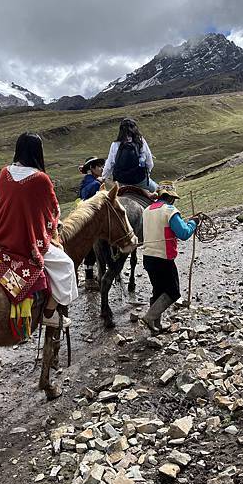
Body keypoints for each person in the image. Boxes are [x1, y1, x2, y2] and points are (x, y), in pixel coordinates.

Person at [0, 132, 77, 329]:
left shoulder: (4, 173)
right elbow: (52, 210)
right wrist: (51, 227)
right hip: (25, 243)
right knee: (67, 266)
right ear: (38, 152)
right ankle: (49, 314)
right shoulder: (41, 179)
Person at [141, 181, 200, 332]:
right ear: (171, 197)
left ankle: (156, 324)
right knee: (173, 292)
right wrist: (193, 222)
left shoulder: (147, 210)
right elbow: (184, 233)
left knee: (158, 289)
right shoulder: (170, 210)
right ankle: (150, 317)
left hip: (148, 257)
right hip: (163, 258)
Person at [102, 117, 157, 192]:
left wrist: (104, 177)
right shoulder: (140, 141)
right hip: (140, 181)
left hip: (121, 181)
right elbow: (149, 162)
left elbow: (109, 164)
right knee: (157, 190)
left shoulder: (115, 144)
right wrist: (147, 174)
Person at [78, 156, 105, 290]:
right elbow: (87, 195)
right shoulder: (92, 182)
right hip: (91, 218)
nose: (102, 168)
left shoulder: (91, 180)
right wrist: (98, 183)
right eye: (99, 166)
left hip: (90, 216)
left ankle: (90, 275)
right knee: (91, 249)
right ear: (92, 168)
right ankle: (89, 279)